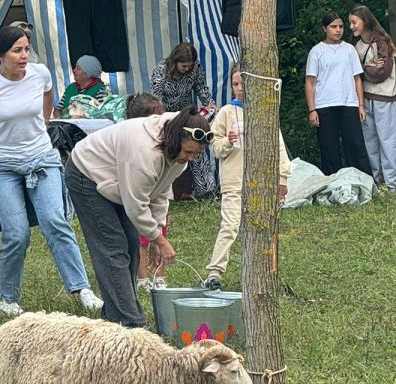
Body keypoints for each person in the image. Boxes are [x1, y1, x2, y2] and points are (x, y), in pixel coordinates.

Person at [0, 25, 103, 317]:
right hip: (1, 166)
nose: (24, 56)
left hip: (41, 159)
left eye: (26, 49)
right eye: (17, 50)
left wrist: (41, 128)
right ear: (1, 55)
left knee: (55, 222)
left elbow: (48, 99)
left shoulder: (40, 73)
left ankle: (82, 289)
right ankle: (7, 298)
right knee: (17, 233)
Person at [65, 106, 211, 328]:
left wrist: (156, 235)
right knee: (113, 248)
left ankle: (116, 313)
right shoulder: (145, 153)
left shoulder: (176, 149)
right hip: (87, 173)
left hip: (119, 181)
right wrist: (159, 240)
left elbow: (160, 193)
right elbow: (136, 205)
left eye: (196, 154)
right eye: (188, 152)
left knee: (132, 245)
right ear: (174, 141)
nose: (190, 158)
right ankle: (130, 323)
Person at [204, 65, 291, 290]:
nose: (240, 88)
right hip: (234, 180)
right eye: (235, 84)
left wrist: (282, 178)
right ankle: (214, 272)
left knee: (263, 227)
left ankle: (265, 272)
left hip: (262, 182)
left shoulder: (264, 111)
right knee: (231, 225)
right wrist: (228, 142)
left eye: (243, 83)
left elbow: (277, 144)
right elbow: (214, 146)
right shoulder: (225, 112)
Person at [305, 11, 373, 177]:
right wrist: (312, 109)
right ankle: (332, 182)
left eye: (341, 27)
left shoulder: (349, 50)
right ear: (325, 28)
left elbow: (357, 78)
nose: (338, 30)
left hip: (349, 103)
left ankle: (364, 179)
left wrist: (360, 105)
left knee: (355, 144)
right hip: (324, 104)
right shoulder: (316, 51)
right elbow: (310, 82)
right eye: (333, 27)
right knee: (329, 146)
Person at [348, 6, 396, 194]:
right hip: (364, 98)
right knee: (370, 141)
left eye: (354, 22)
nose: (351, 26)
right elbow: (353, 73)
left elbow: (382, 72)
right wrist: (369, 67)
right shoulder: (355, 46)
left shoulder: (383, 42)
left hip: (384, 97)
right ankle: (377, 181)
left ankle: (395, 184)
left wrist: (364, 70)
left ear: (365, 20)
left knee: (388, 140)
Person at [150, 42, 216, 199]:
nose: (187, 69)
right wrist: (158, 117)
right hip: (165, 117)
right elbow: (155, 96)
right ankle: (161, 193)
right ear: (175, 61)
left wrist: (209, 103)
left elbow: (201, 87)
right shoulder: (161, 70)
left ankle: (206, 190)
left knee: (196, 149)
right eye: (184, 65)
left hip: (186, 115)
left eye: (189, 65)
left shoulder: (195, 69)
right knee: (165, 152)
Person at [124, 92, 168, 292]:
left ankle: (159, 276)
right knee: (140, 238)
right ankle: (142, 279)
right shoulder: (133, 145)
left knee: (160, 235)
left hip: (156, 196)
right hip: (138, 198)